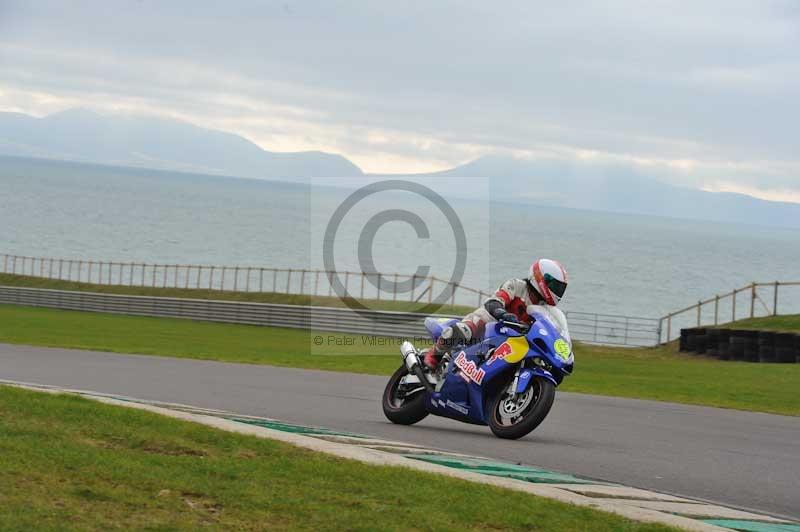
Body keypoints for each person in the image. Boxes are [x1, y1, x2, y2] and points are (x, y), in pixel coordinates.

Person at [423, 258, 570, 369]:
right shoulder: (517, 285)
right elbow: (494, 302)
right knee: (466, 329)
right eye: (555, 285)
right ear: (541, 278)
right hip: (489, 323)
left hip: (511, 339)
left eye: (560, 288)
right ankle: (435, 355)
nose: (557, 291)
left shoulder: (544, 309)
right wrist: (504, 314)